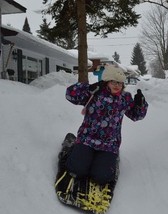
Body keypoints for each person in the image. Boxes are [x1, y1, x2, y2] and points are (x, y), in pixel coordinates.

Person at [57, 65, 148, 193]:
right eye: (114, 82)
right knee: (76, 170)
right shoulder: (95, 92)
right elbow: (70, 95)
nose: (117, 85)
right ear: (107, 81)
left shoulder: (125, 98)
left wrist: (141, 104)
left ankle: (102, 161)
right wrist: (87, 89)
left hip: (109, 144)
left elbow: (136, 115)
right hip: (87, 139)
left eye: (120, 83)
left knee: (102, 177)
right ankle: (71, 149)